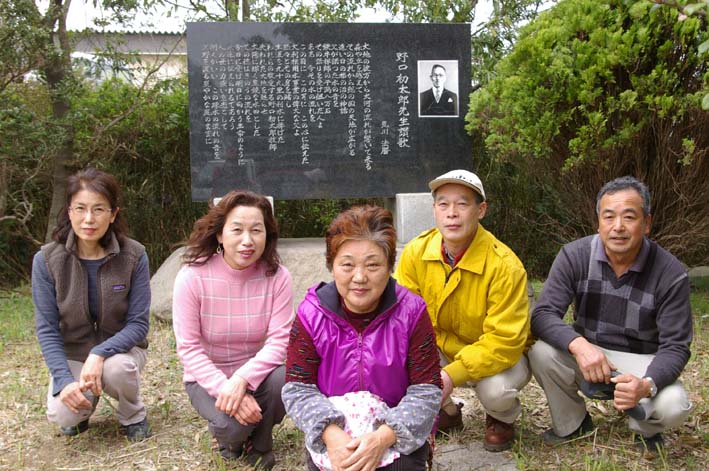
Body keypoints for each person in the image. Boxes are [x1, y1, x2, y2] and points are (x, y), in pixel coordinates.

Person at [528, 176, 693, 452]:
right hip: (589, 353)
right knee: (540, 352)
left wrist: (647, 384)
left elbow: (676, 346)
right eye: (609, 217)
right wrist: (579, 346)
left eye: (629, 217)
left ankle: (644, 427)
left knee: (674, 406)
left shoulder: (670, 272)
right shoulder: (574, 255)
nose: (618, 227)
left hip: (641, 361)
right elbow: (543, 314)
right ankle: (573, 424)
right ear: (598, 223)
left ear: (647, 223)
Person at [283, 205, 442, 471]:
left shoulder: (412, 312)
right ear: (332, 266)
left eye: (373, 265)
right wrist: (331, 434)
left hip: (393, 432)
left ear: (390, 266)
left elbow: (427, 389)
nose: (359, 277)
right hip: (334, 433)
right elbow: (298, 387)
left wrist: (383, 437)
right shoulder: (311, 314)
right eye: (347, 265)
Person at [394, 169, 531, 452]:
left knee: (496, 391)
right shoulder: (416, 253)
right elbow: (403, 318)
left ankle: (501, 417)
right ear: (434, 209)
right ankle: (448, 413)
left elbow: (504, 341)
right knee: (396, 360)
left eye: (462, 203)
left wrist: (449, 375)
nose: (451, 213)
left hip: (495, 355)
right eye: (443, 204)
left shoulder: (505, 265)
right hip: (440, 347)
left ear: (481, 210)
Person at [172, 190, 293, 470]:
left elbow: (280, 341)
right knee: (230, 425)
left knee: (286, 379)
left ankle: (261, 443)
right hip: (206, 379)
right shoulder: (192, 277)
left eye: (256, 230)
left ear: (268, 235)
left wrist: (242, 380)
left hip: (255, 374)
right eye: (237, 230)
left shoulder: (277, 276)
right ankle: (230, 441)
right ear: (219, 234)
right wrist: (227, 388)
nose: (247, 241)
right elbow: (189, 349)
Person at [32, 168, 151, 440]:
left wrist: (99, 353)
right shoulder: (47, 260)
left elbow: (138, 325)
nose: (89, 218)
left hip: (121, 351)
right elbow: (47, 329)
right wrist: (63, 380)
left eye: (98, 209)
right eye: (81, 208)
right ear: (69, 211)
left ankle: (133, 415)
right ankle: (83, 406)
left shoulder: (134, 255)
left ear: (113, 214)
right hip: (73, 354)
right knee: (63, 414)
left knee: (117, 369)